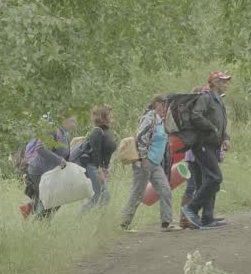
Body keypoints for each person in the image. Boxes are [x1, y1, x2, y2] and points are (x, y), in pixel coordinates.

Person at [120, 96, 181, 231]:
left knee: (165, 189)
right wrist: (143, 158)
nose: (166, 108)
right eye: (164, 105)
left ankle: (166, 223)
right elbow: (142, 136)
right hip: (144, 163)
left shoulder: (161, 121)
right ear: (157, 104)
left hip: (155, 164)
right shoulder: (150, 118)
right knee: (137, 193)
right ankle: (123, 224)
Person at [180, 71, 232, 229]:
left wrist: (225, 138)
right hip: (202, 145)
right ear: (215, 83)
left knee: (213, 180)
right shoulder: (205, 97)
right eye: (223, 81)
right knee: (215, 178)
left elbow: (220, 122)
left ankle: (207, 218)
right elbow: (196, 116)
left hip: (211, 145)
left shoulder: (218, 101)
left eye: (226, 81)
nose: (226, 84)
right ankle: (191, 208)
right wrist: (212, 128)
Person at [77, 105, 117, 212]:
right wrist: (100, 170)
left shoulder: (105, 132)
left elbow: (106, 153)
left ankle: (97, 217)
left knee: (104, 196)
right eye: (109, 114)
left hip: (98, 167)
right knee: (97, 195)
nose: (111, 116)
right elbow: (95, 153)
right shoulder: (97, 132)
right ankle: (80, 215)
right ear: (103, 117)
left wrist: (105, 168)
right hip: (93, 167)